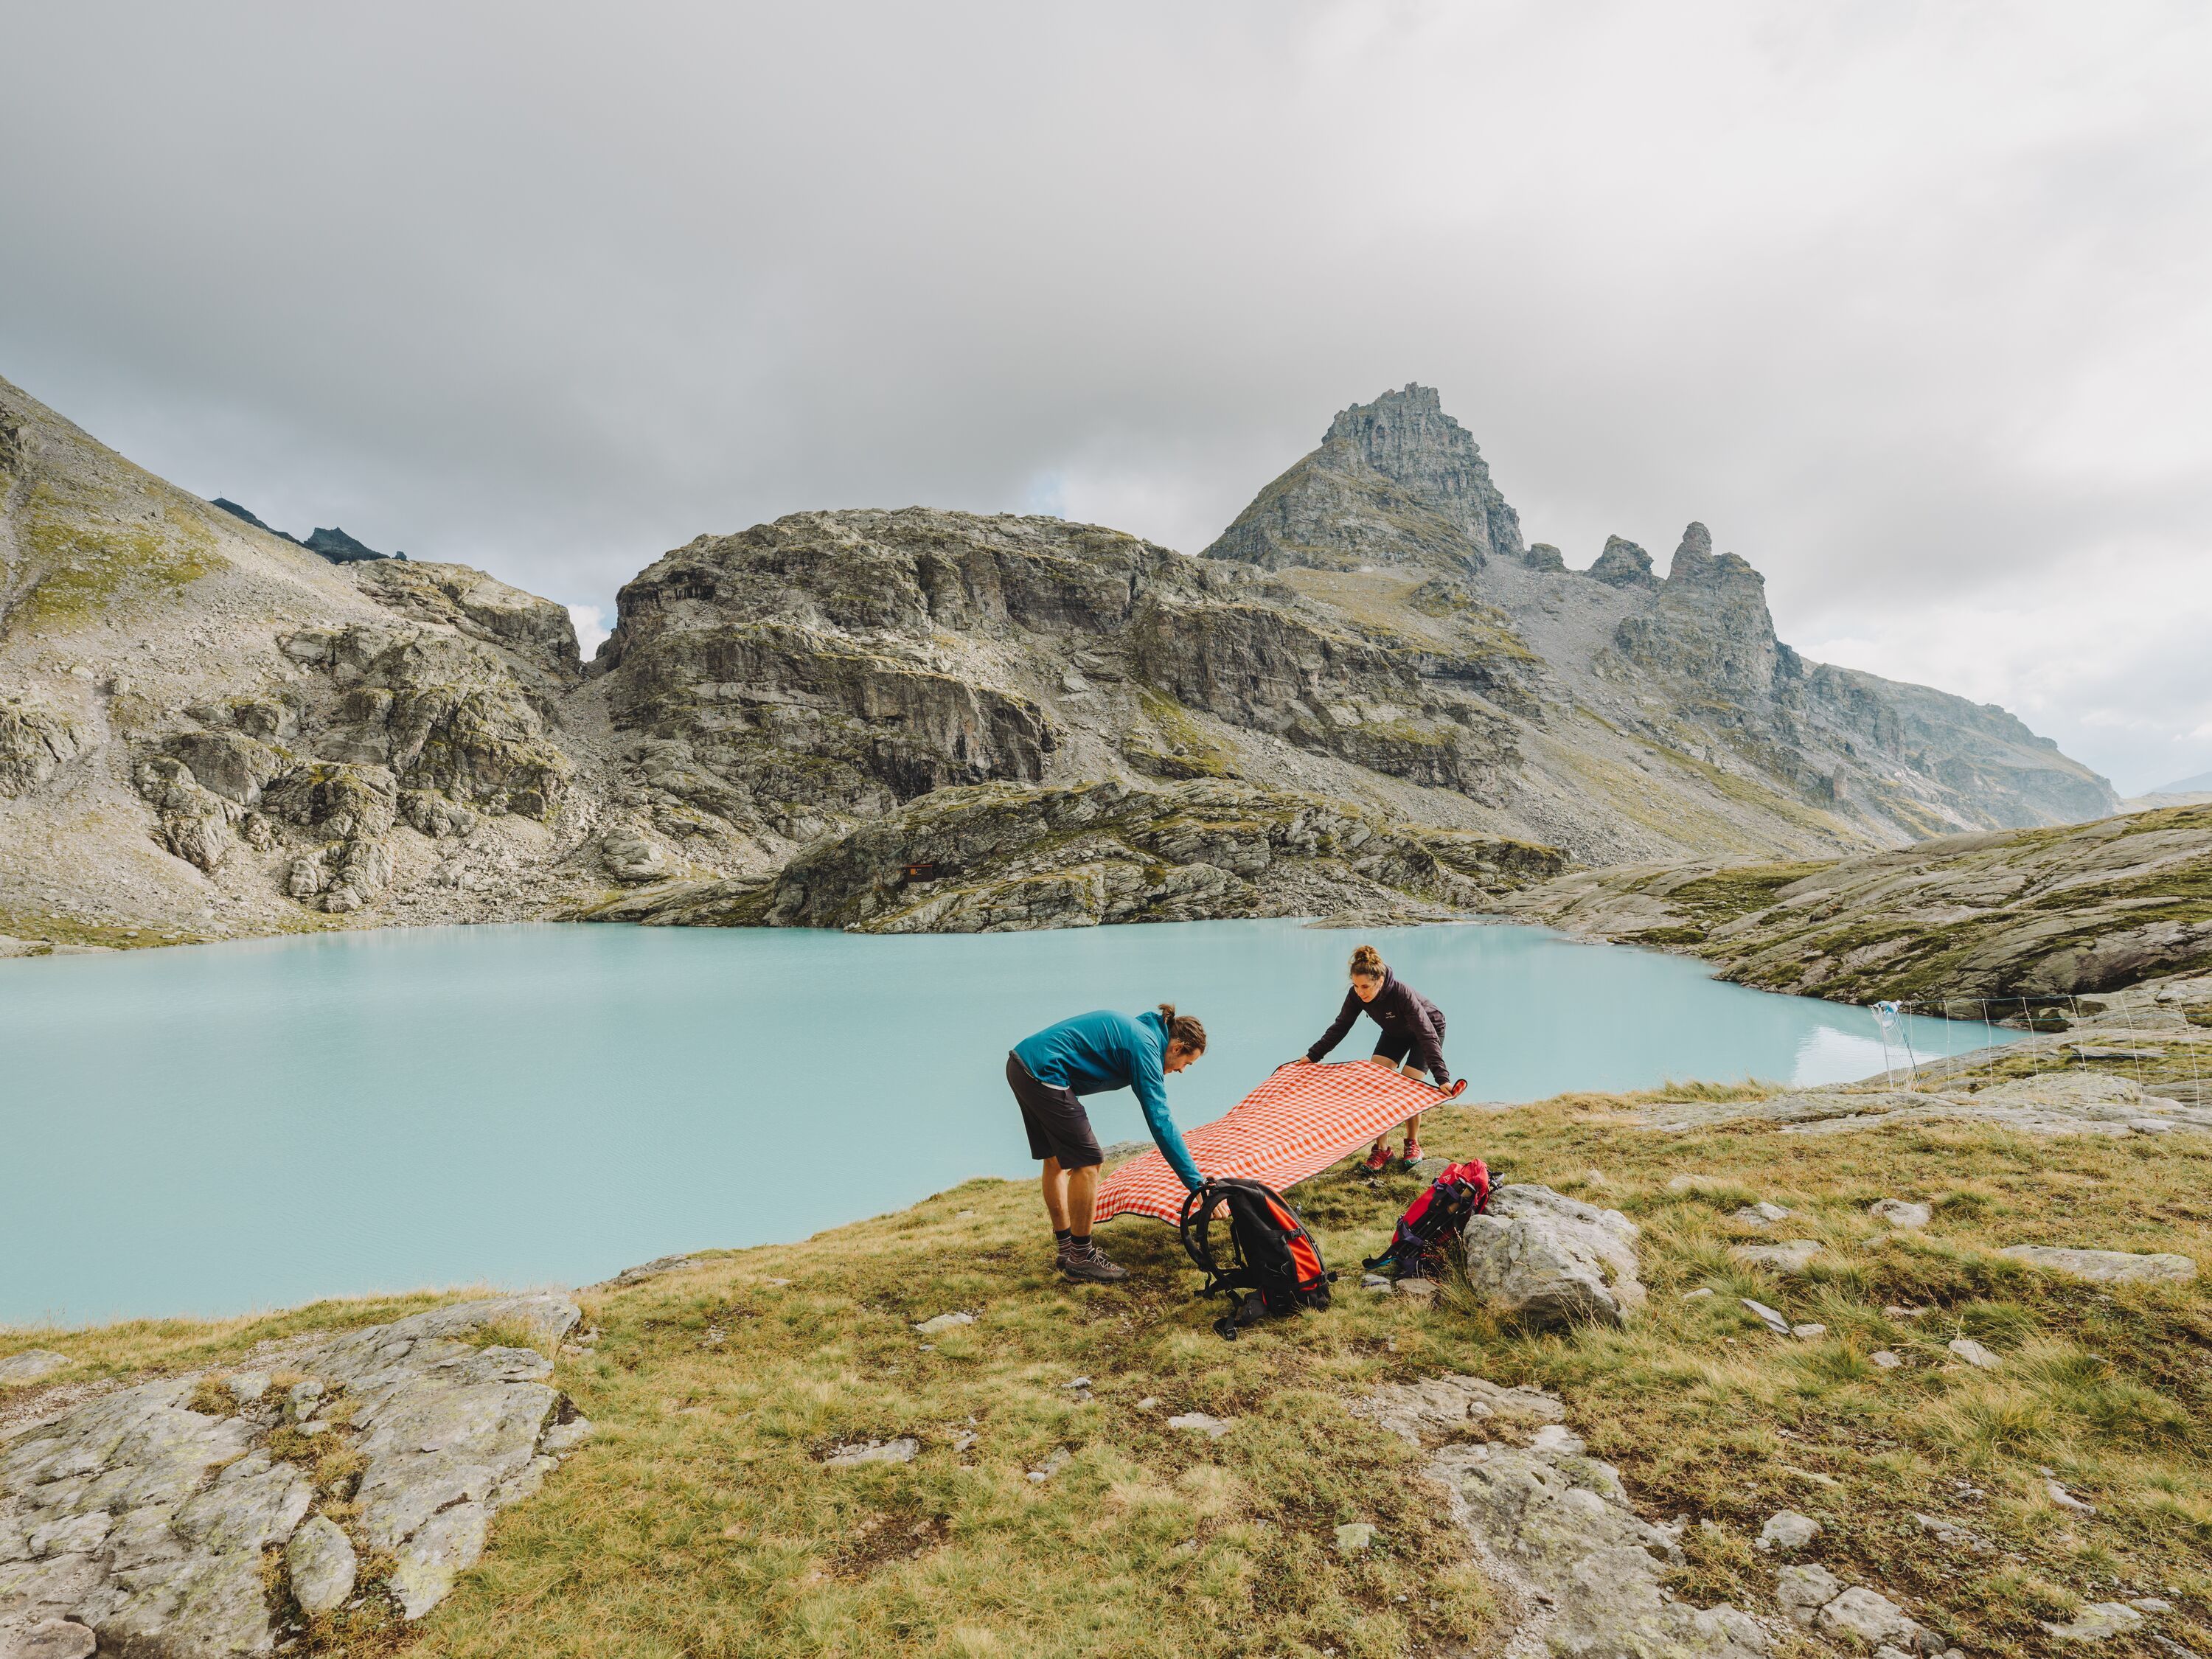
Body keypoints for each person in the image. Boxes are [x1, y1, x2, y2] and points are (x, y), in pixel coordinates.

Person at [1006, 1004, 1208, 1283]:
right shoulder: (1146, 1046)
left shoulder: (1142, 1033)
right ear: (1177, 1047)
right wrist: (1196, 1184)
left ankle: (1068, 1250)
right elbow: (1160, 1120)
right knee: (1089, 1163)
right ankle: (1081, 1257)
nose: (1182, 1070)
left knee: (1055, 1161)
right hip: (1045, 1072)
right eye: (1187, 1063)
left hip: (1022, 1064)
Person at [1293, 943, 1450, 1172]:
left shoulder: (1400, 993)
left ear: (1379, 981)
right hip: (1395, 1032)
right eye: (1355, 986)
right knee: (1376, 1082)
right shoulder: (1356, 996)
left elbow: (1426, 1034)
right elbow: (1341, 1026)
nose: (1360, 992)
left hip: (1427, 1030)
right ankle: (1382, 1149)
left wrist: (1442, 1078)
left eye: (1365, 986)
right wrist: (1313, 1055)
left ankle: (1413, 1144)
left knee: (1409, 1086)